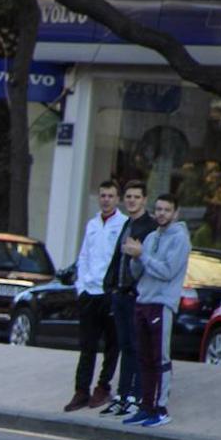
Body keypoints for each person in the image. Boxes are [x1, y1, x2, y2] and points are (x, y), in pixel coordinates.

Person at [123, 194, 190, 429]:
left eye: (167, 210)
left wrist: (142, 255)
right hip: (143, 301)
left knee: (160, 359)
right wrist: (134, 257)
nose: (161, 213)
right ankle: (146, 406)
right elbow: (137, 273)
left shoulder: (180, 239)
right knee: (144, 357)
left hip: (161, 305)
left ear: (176, 213)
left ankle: (160, 410)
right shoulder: (151, 237)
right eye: (159, 209)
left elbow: (167, 271)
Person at [65, 180, 127, 412]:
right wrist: (80, 288)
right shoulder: (92, 224)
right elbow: (84, 257)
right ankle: (81, 391)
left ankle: (103, 387)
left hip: (109, 293)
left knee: (112, 345)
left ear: (117, 199)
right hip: (89, 293)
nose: (106, 199)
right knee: (87, 346)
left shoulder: (123, 224)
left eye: (110, 196)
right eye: (102, 195)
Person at [99, 179, 158, 418]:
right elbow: (117, 257)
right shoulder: (127, 224)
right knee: (125, 346)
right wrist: (110, 285)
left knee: (137, 347)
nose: (132, 201)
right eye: (129, 197)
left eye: (136, 197)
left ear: (144, 199)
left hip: (137, 295)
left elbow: (146, 261)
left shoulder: (149, 227)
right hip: (120, 294)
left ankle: (136, 395)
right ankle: (122, 395)